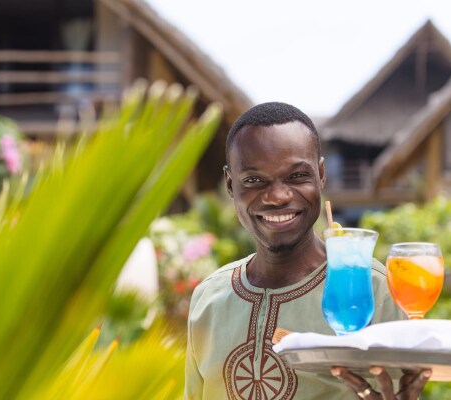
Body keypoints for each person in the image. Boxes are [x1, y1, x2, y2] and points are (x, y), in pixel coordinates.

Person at [184, 102, 431, 399]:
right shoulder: (208, 298)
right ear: (230, 183)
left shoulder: (376, 289)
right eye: (253, 180)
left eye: (297, 176)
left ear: (321, 174)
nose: (277, 196)